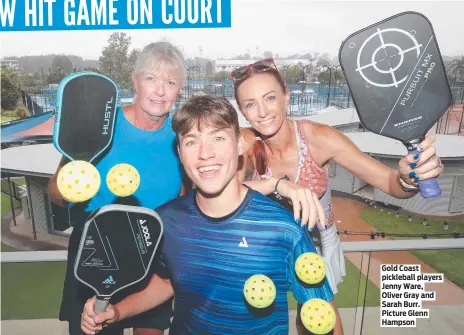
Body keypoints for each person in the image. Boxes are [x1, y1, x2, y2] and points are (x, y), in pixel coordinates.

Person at [79, 95, 344, 335]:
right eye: (192, 142)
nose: (205, 154)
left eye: (218, 137)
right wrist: (116, 312)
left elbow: (318, 312)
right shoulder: (164, 221)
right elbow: (167, 281)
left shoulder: (283, 227)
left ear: (240, 145)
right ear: (180, 154)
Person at [231, 58, 444, 333]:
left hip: (315, 246)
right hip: (269, 245)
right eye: (250, 104)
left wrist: (408, 177)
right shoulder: (245, 143)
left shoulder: (319, 138)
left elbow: (390, 183)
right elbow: (227, 197)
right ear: (243, 111)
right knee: (258, 323)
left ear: (286, 97)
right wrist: (277, 184)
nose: (261, 112)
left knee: (320, 322)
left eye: (270, 98)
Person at [48, 41, 189, 335]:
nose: (160, 91)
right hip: (94, 254)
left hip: (152, 254)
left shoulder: (184, 138)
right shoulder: (99, 126)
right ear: (135, 81)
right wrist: (73, 191)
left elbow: (185, 202)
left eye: (170, 82)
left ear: (180, 88)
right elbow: (55, 192)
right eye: (151, 79)